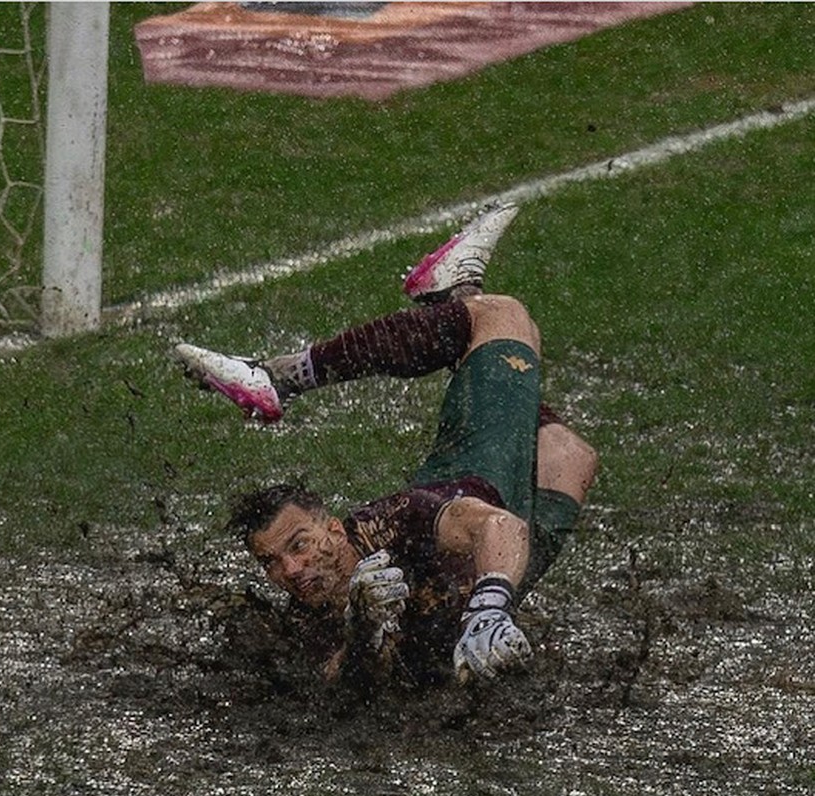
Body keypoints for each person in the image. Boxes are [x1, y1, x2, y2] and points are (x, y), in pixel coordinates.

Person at [172, 203, 598, 688]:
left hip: (483, 473)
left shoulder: (395, 522)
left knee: (503, 317)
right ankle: (454, 295)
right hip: (475, 577)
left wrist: (490, 607)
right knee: (567, 453)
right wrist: (363, 631)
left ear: (334, 529)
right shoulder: (308, 618)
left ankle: (278, 378)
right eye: (271, 562)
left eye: (299, 545)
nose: (291, 569)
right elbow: (344, 686)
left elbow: (497, 527)